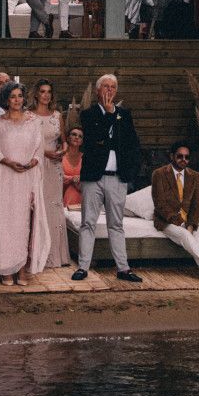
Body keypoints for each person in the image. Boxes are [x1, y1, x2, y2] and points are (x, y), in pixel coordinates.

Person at [0, 81, 52, 286]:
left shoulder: (34, 122)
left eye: (20, 96)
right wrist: (8, 162)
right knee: (4, 223)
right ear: (6, 100)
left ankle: (21, 269)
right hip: (4, 178)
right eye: (12, 96)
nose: (17, 100)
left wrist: (34, 161)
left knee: (22, 224)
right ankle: (5, 270)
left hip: (25, 178)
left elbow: (39, 147)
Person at [72, 73, 143, 282]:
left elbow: (131, 144)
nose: (109, 90)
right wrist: (110, 114)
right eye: (105, 86)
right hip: (93, 177)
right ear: (98, 91)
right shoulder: (89, 114)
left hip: (117, 177)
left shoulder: (125, 115)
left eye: (113, 87)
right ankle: (83, 267)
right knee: (88, 222)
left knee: (116, 224)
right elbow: (95, 139)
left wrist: (130, 171)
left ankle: (123, 269)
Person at [151, 142, 199, 282]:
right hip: (166, 220)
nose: (183, 160)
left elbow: (196, 204)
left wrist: (190, 224)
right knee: (185, 234)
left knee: (196, 235)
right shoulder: (159, 174)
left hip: (189, 219)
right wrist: (180, 222)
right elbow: (160, 204)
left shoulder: (195, 176)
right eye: (180, 156)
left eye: (187, 157)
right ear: (172, 156)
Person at [30, 79, 71, 269]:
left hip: (55, 167)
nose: (46, 95)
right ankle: (37, 255)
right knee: (38, 206)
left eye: (49, 92)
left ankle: (57, 255)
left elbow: (64, 140)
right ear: (36, 94)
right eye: (42, 91)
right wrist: (45, 153)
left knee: (54, 208)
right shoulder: (29, 116)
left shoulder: (57, 115)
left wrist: (64, 150)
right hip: (37, 165)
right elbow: (27, 143)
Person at [61, 125, 84, 209]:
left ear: (82, 141)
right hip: (61, 193)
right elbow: (56, 176)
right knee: (71, 189)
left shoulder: (85, 157)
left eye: (80, 136)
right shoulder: (60, 156)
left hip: (81, 191)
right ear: (68, 138)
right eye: (74, 134)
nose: (77, 137)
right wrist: (72, 179)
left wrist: (80, 179)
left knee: (73, 190)